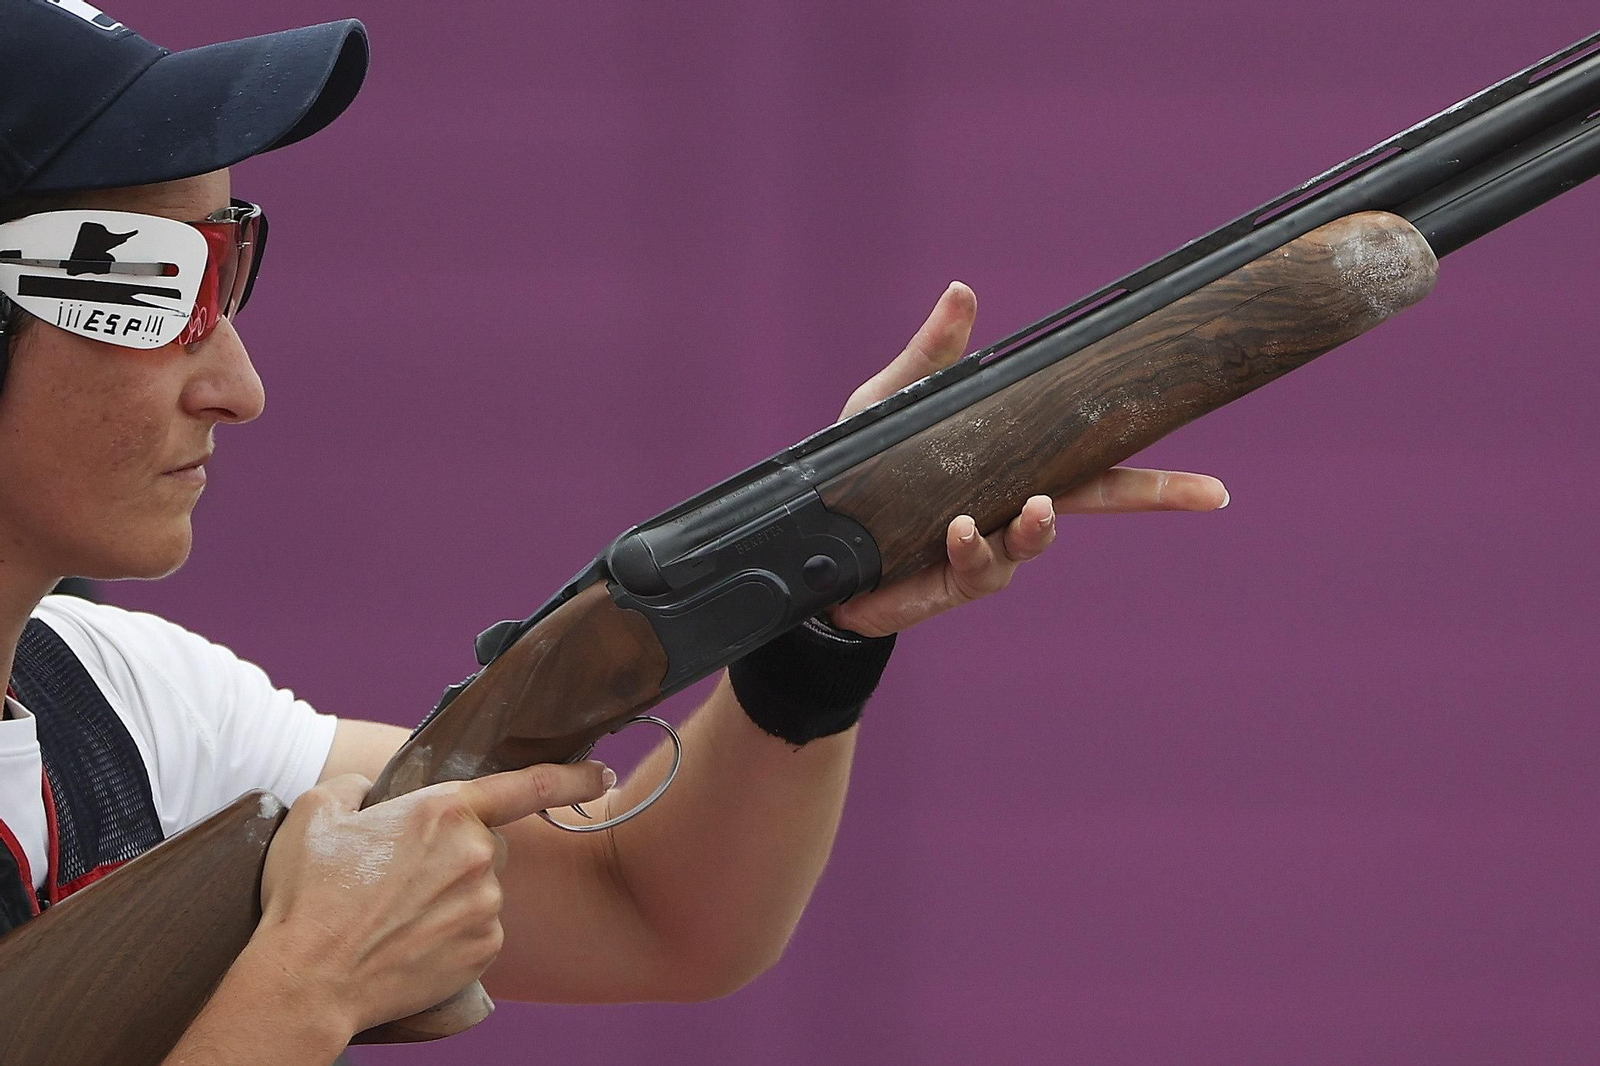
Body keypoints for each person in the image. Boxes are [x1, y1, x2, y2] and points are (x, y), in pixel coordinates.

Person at [0, 3, 1230, 1063]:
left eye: (232, 268)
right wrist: (305, 986)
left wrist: (821, 620)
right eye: (148, 285)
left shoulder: (117, 703)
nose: (235, 384)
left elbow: (648, 907)